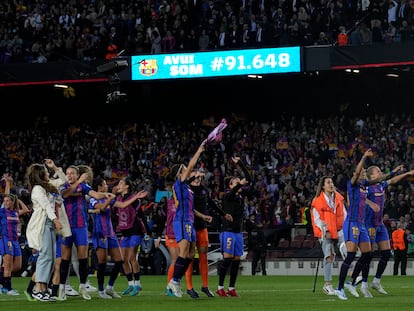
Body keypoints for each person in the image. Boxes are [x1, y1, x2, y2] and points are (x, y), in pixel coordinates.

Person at [344, 164, 414, 296]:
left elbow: (393, 180)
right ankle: (361, 284)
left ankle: (376, 281)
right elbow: (358, 199)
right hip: (368, 224)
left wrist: (407, 173)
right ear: (371, 176)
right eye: (378, 172)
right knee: (368, 255)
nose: (381, 173)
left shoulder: (381, 185)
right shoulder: (367, 187)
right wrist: (370, 203)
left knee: (387, 253)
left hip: (380, 224)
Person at [334, 148, 381, 300]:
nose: (363, 172)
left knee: (368, 254)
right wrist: (363, 157)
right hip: (352, 223)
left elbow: (381, 179)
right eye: (362, 171)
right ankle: (340, 288)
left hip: (361, 224)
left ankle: (351, 282)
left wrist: (394, 172)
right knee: (351, 255)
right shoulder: (352, 184)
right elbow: (357, 172)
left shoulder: (364, 186)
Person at [58, 165, 109, 300]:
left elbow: (95, 195)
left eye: (72, 173)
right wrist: (79, 182)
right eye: (67, 173)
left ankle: (82, 287)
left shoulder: (83, 187)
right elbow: (66, 194)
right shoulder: (63, 186)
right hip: (67, 227)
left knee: (83, 259)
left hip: (81, 227)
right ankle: (62, 288)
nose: (69, 176)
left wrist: (106, 195)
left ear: (76, 174)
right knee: (65, 259)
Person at [166, 143, 208, 298]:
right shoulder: (180, 183)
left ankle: (176, 281)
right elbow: (191, 165)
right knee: (183, 253)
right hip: (182, 221)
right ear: (180, 174)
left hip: (188, 220)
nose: (187, 169)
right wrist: (198, 151)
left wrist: (202, 216)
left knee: (190, 254)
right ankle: (174, 281)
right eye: (184, 169)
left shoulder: (187, 187)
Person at [25, 159, 71, 301]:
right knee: (45, 256)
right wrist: (56, 220)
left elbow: (63, 180)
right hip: (43, 223)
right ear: (40, 174)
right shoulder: (38, 189)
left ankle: (44, 289)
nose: (47, 172)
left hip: (50, 224)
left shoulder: (48, 185)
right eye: (45, 170)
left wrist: (55, 167)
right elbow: (46, 206)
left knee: (50, 258)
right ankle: (38, 288)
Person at [216, 156, 251, 297]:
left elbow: (248, 177)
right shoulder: (227, 196)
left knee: (237, 260)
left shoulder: (239, 197)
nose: (239, 183)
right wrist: (239, 183)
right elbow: (240, 184)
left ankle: (231, 288)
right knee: (227, 259)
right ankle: (220, 287)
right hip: (228, 231)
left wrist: (240, 164)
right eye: (235, 182)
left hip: (238, 232)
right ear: (230, 185)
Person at [184, 168, 219, 298]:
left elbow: (211, 203)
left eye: (199, 176)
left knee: (203, 256)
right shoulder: (186, 190)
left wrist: (223, 214)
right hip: (190, 226)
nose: (198, 178)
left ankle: (205, 286)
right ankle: (189, 287)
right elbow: (189, 208)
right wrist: (203, 216)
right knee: (190, 257)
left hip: (202, 227)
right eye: (195, 176)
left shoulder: (204, 190)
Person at [111, 177, 149, 296]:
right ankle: (131, 284)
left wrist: (147, 232)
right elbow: (114, 214)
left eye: (121, 183)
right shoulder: (118, 198)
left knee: (132, 257)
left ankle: (138, 284)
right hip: (124, 231)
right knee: (123, 259)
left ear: (127, 186)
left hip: (135, 231)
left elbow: (141, 215)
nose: (118, 185)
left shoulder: (135, 199)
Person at [310, 175, 347, 295]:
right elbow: (316, 219)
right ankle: (327, 285)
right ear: (323, 186)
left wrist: (346, 228)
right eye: (328, 182)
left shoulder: (338, 198)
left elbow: (344, 214)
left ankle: (352, 277)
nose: (331, 184)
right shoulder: (317, 201)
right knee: (329, 257)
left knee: (347, 251)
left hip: (339, 230)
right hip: (326, 233)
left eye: (332, 182)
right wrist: (325, 231)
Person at [88, 176, 123, 299]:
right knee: (102, 262)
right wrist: (111, 197)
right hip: (100, 233)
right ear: (100, 187)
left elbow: (122, 205)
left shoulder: (107, 197)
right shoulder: (93, 199)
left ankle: (110, 288)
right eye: (104, 184)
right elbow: (102, 208)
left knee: (119, 260)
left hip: (110, 233)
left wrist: (135, 197)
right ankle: (101, 290)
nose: (106, 186)